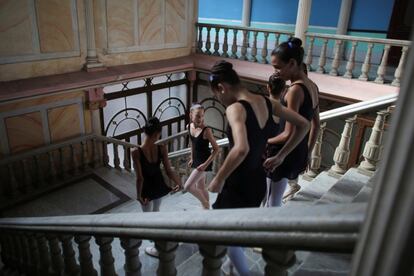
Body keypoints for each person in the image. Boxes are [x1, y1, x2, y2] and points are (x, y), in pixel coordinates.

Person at [207, 60, 310, 276]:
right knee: (240, 230)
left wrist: (219, 179)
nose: (220, 100)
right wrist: (281, 156)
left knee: (226, 235)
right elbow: (304, 124)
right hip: (258, 182)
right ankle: (230, 266)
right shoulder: (268, 102)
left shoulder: (235, 108)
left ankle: (243, 272)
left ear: (221, 88)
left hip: (238, 185)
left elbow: (241, 149)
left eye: (218, 96)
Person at [265, 37, 320, 207]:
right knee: (274, 199)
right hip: (297, 150)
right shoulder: (312, 85)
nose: (275, 72)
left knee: (271, 202)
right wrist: (307, 152)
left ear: (292, 63)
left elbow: (287, 133)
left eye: (278, 67)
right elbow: (315, 124)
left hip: (283, 152)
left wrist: (263, 141)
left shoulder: (295, 90)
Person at [131, 117, 182, 257]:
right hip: (159, 186)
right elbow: (169, 170)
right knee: (156, 211)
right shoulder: (161, 148)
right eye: (160, 133)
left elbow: (140, 178)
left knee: (148, 219)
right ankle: (162, 240)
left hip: (147, 189)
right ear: (156, 133)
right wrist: (179, 183)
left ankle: (159, 246)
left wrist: (138, 196)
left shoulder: (136, 152)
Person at [184, 103, 219, 209]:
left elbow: (217, 149)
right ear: (191, 115)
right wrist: (192, 157)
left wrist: (205, 164)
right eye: (198, 116)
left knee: (188, 186)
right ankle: (207, 209)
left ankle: (205, 203)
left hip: (205, 161)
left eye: (202, 116)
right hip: (197, 160)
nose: (201, 118)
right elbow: (192, 144)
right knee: (201, 186)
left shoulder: (206, 130)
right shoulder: (188, 127)